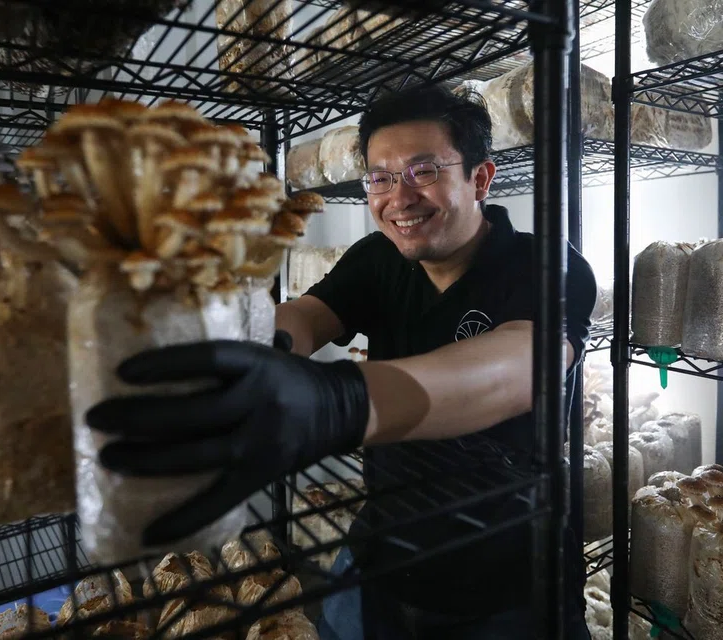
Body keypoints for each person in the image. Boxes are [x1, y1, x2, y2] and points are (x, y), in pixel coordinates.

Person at [86, 85, 597, 639]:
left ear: (479, 178)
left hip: (510, 575)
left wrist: (338, 400)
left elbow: (520, 364)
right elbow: (307, 316)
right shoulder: (380, 258)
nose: (398, 198)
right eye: (380, 177)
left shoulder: (545, 265)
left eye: (423, 171)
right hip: (387, 550)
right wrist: (250, 351)